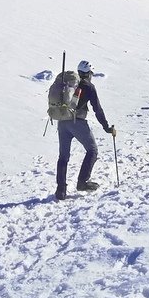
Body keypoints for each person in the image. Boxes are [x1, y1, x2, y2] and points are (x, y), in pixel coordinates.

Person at [56, 60, 116, 200]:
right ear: (88, 73)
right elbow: (97, 110)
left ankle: (60, 191)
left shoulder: (69, 84)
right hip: (77, 122)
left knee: (63, 157)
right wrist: (106, 127)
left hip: (62, 122)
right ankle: (82, 182)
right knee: (92, 150)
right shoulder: (89, 87)